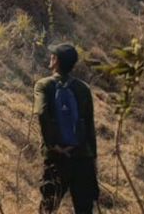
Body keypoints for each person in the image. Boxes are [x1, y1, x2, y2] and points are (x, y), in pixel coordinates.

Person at [34, 43, 99, 214]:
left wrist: (53, 144)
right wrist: (93, 160)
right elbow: (89, 126)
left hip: (56, 158)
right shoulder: (83, 89)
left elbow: (42, 113)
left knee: (48, 207)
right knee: (84, 210)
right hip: (82, 157)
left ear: (55, 61)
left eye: (52, 56)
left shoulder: (43, 85)